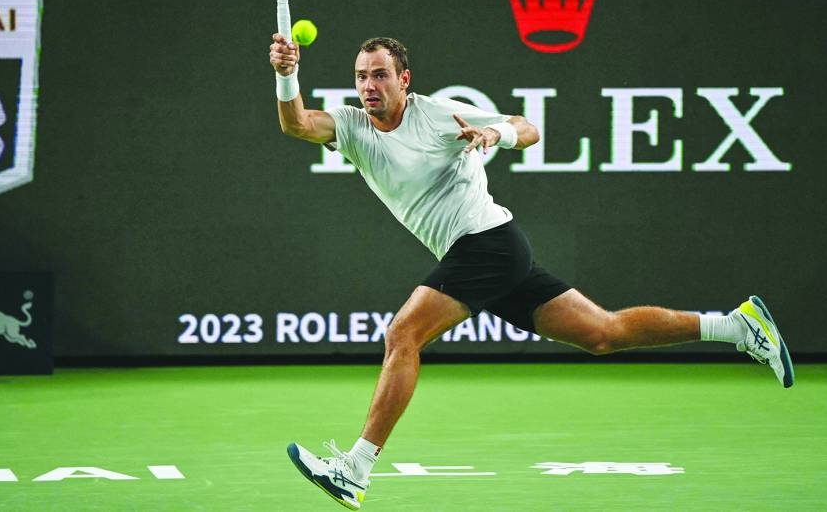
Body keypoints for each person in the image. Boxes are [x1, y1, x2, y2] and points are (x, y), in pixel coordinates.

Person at [269, 34, 794, 510]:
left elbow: (528, 127)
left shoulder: (436, 114)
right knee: (602, 334)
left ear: (404, 79)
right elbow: (296, 123)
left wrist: (496, 135)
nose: (369, 85)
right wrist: (286, 72)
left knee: (403, 334)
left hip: (487, 245)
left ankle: (355, 469)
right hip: (488, 253)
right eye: (361, 75)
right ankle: (738, 326)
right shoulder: (354, 126)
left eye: (380, 74)